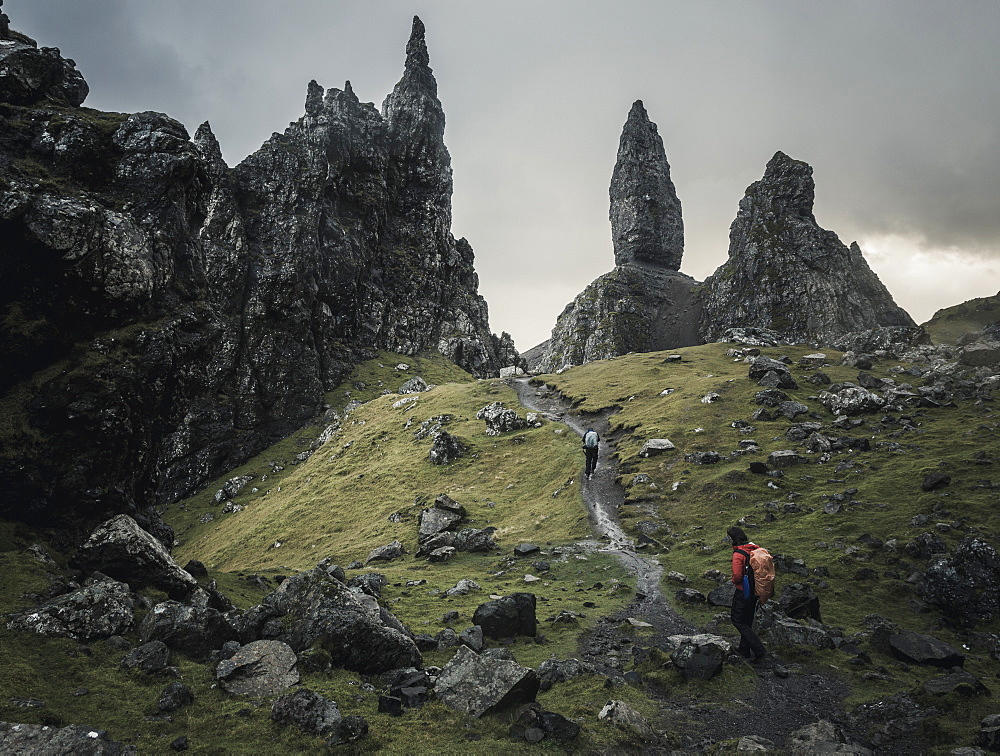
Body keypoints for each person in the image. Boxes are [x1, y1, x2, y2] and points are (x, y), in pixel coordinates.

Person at [728, 525, 767, 662]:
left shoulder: (738, 554)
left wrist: (734, 580)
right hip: (755, 590)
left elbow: (738, 576)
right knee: (747, 620)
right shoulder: (753, 549)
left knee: (737, 620)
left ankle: (759, 650)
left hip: (743, 591)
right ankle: (744, 649)